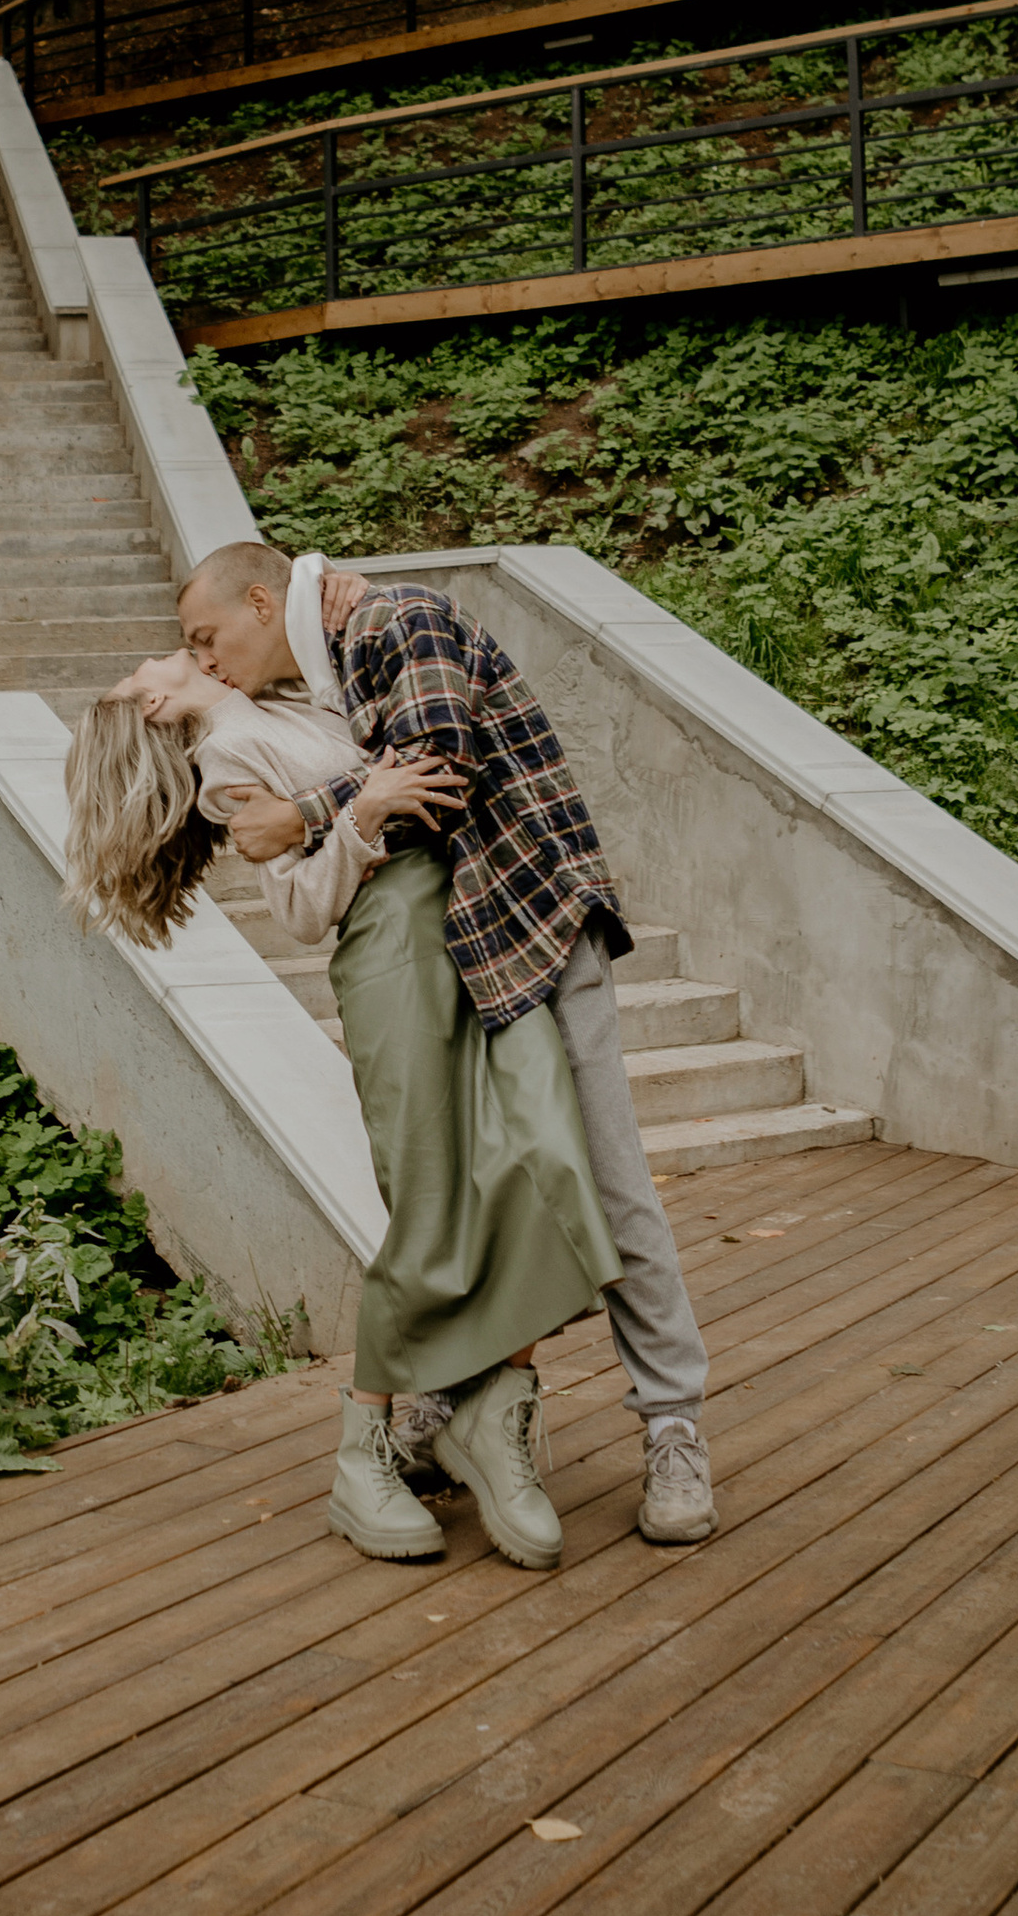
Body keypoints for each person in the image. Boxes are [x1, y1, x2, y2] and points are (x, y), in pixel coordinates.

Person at [178, 537, 716, 1551]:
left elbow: (439, 769)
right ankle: (453, 1407)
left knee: (602, 1181)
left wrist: (301, 817)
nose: (207, 663)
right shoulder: (331, 669)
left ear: (261, 600)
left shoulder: (394, 621)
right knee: (483, 1185)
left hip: (536, 928)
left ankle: (672, 1427)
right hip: (464, 949)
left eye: (209, 640)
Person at [62, 648, 624, 1568]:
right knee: (434, 1196)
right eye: (143, 669)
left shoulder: (288, 708)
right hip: (395, 953)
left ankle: (492, 1415)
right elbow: (297, 907)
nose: (158, 655)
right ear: (159, 703)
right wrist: (360, 816)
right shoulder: (230, 762)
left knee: (543, 1160)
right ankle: (362, 1456)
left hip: (471, 927)